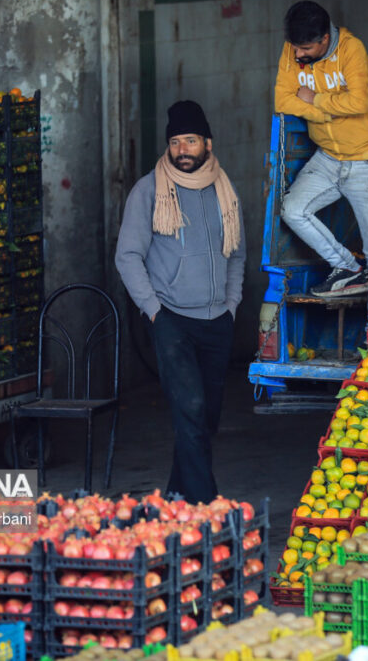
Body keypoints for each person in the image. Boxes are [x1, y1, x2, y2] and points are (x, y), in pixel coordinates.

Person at [115, 100, 246, 504]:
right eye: (175, 142)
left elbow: (236, 250)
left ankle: (175, 496)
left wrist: (232, 303)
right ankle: (208, 505)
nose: (182, 150)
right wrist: (154, 310)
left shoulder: (224, 190)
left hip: (216, 319)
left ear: (207, 143)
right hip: (171, 319)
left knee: (205, 419)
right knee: (189, 408)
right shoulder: (149, 190)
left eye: (190, 141)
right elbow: (127, 256)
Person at [275, 0, 368, 314]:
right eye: (294, 47)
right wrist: (327, 115)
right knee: (292, 209)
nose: (297, 54)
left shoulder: (352, 50)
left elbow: (359, 103)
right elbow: (282, 99)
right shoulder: (294, 48)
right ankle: (347, 268)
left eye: (304, 48)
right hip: (328, 157)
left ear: (324, 39)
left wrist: (316, 100)